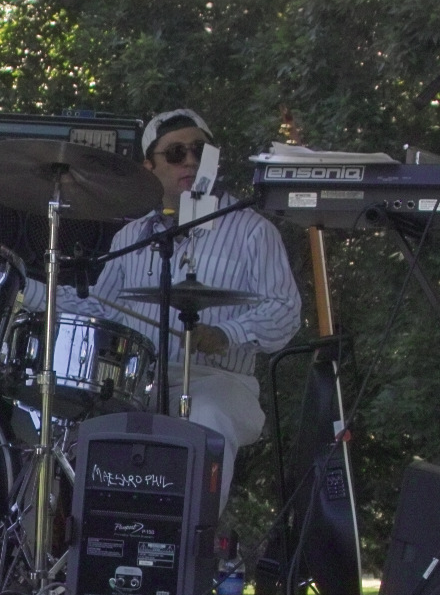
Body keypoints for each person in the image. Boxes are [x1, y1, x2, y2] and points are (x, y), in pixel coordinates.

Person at [87, 108, 301, 513]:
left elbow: (285, 310)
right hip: (140, 383)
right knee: (71, 412)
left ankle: (192, 537)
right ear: (149, 167)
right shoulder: (130, 237)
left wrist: (227, 334)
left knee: (206, 414)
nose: (190, 161)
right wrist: (28, 289)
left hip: (221, 382)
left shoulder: (253, 231)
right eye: (175, 153)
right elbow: (100, 308)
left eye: (200, 151)